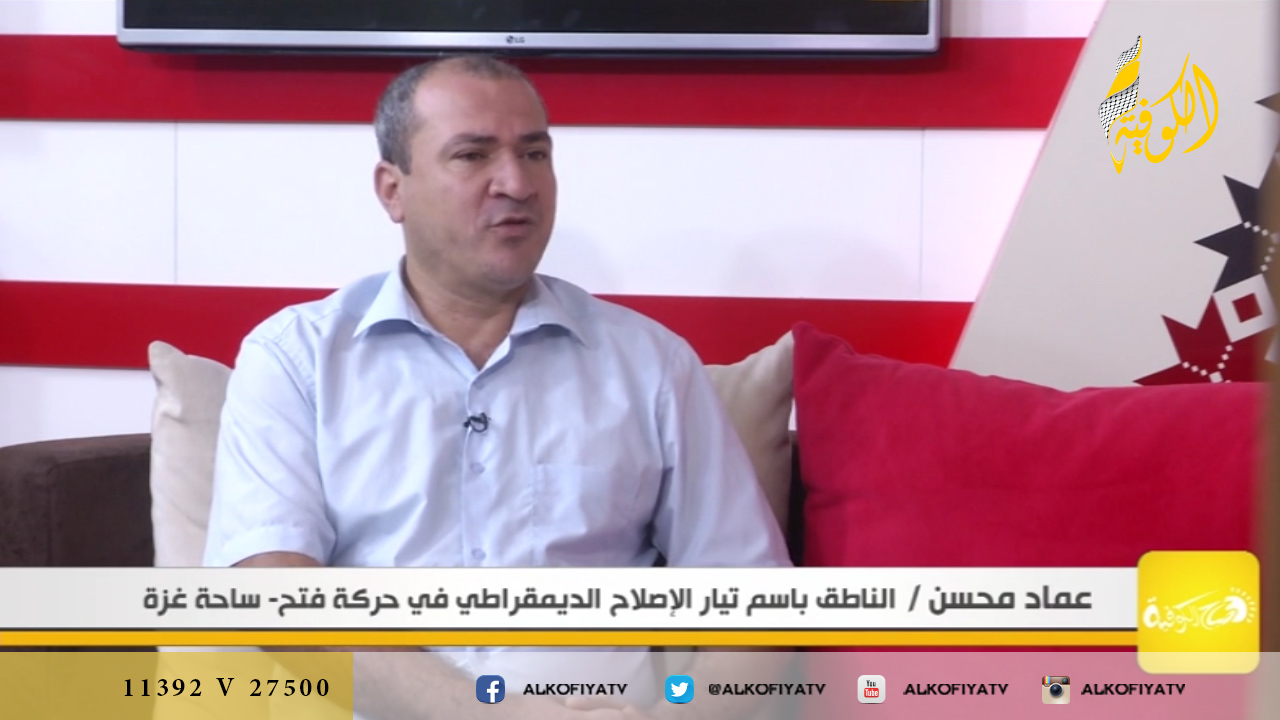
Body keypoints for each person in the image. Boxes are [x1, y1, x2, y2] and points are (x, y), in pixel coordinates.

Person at [202, 54, 790, 719]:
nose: (516, 183)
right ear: (393, 190)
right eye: (472, 155)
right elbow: (274, 591)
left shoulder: (650, 364)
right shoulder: (297, 358)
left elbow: (753, 605)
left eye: (534, 154)